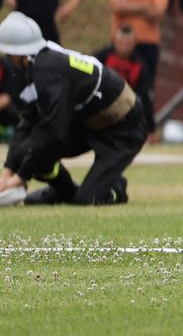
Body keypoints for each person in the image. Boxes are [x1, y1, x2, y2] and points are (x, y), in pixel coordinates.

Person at [0, 11, 146, 206]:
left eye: (8, 53)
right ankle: (64, 190)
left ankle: (114, 188)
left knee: (87, 199)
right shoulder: (38, 63)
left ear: (18, 53)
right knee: (25, 151)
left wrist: (20, 177)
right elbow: (28, 120)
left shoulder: (48, 70)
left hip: (123, 126)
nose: (7, 58)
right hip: (90, 121)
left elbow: (53, 131)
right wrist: (8, 169)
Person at [105, 0, 167, 129]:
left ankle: (146, 127)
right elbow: (117, 5)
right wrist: (144, 7)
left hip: (148, 41)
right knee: (115, 85)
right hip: (121, 42)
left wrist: (129, 4)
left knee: (145, 88)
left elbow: (158, 11)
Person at [96, 23, 145, 102]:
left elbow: (143, 96)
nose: (124, 48)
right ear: (114, 41)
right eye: (120, 43)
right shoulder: (102, 57)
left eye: (128, 44)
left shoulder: (139, 66)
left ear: (134, 44)